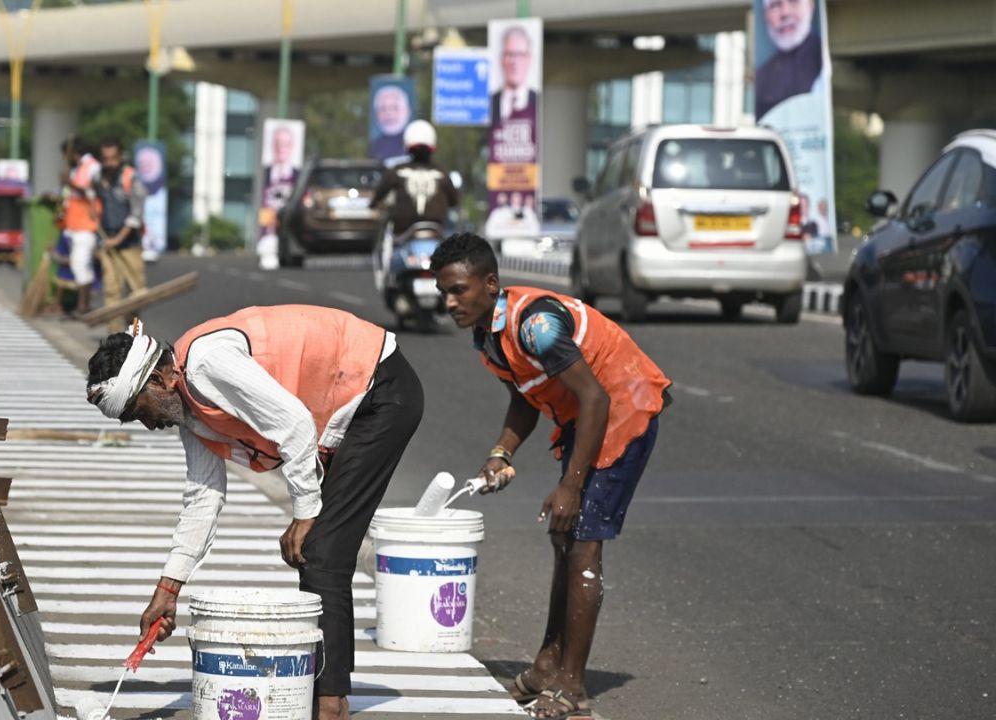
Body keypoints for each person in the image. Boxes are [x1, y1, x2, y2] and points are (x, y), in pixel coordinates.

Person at [85, 307, 423, 720]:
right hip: (349, 408)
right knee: (319, 551)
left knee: (321, 551)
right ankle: (329, 692)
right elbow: (203, 498)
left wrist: (304, 512)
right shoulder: (189, 413)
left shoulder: (207, 365)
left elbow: (294, 423)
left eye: (139, 412)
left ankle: (330, 704)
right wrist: (168, 589)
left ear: (159, 380)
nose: (146, 425)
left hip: (378, 390)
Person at [430, 233, 671, 719]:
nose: (449, 302)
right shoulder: (489, 336)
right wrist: (501, 452)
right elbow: (526, 397)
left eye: (458, 290)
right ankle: (547, 666)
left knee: (582, 544)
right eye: (444, 293)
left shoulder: (536, 325)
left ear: (490, 283)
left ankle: (572, 688)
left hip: (621, 410)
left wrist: (571, 485)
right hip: (585, 419)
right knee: (563, 538)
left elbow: (598, 398)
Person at [369, 120, 458, 238]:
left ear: (406, 145)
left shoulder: (396, 171)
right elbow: (454, 201)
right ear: (433, 146)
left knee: (392, 252)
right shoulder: (442, 173)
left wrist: (373, 204)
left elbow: (378, 196)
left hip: (403, 236)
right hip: (436, 236)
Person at [95, 138, 147, 332]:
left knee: (136, 292)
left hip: (129, 243)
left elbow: (136, 215)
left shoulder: (131, 178)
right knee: (111, 291)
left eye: (113, 158)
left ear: (121, 157)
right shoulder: (100, 178)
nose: (109, 163)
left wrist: (118, 239)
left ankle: (134, 335)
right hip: (107, 241)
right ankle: (114, 335)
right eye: (105, 159)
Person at [754, 0, 823, 118]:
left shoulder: (824, 61)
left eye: (794, 1)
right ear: (765, 16)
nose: (785, 13)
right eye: (775, 5)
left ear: (811, 6)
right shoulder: (761, 79)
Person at [61, 136, 101, 315]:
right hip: (75, 224)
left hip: (87, 223)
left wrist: (70, 184)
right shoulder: (78, 168)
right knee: (80, 265)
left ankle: (84, 306)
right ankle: (82, 304)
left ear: (74, 153)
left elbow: (92, 193)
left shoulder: (92, 167)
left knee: (80, 264)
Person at [490, 24, 539, 125]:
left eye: (520, 55)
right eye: (510, 54)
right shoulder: (489, 102)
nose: (515, 62)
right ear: (502, 59)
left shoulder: (539, 101)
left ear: (529, 59)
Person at [370, 83, 412, 162]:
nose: (388, 113)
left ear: (407, 111)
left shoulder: (413, 143)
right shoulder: (375, 146)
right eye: (383, 109)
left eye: (394, 108)